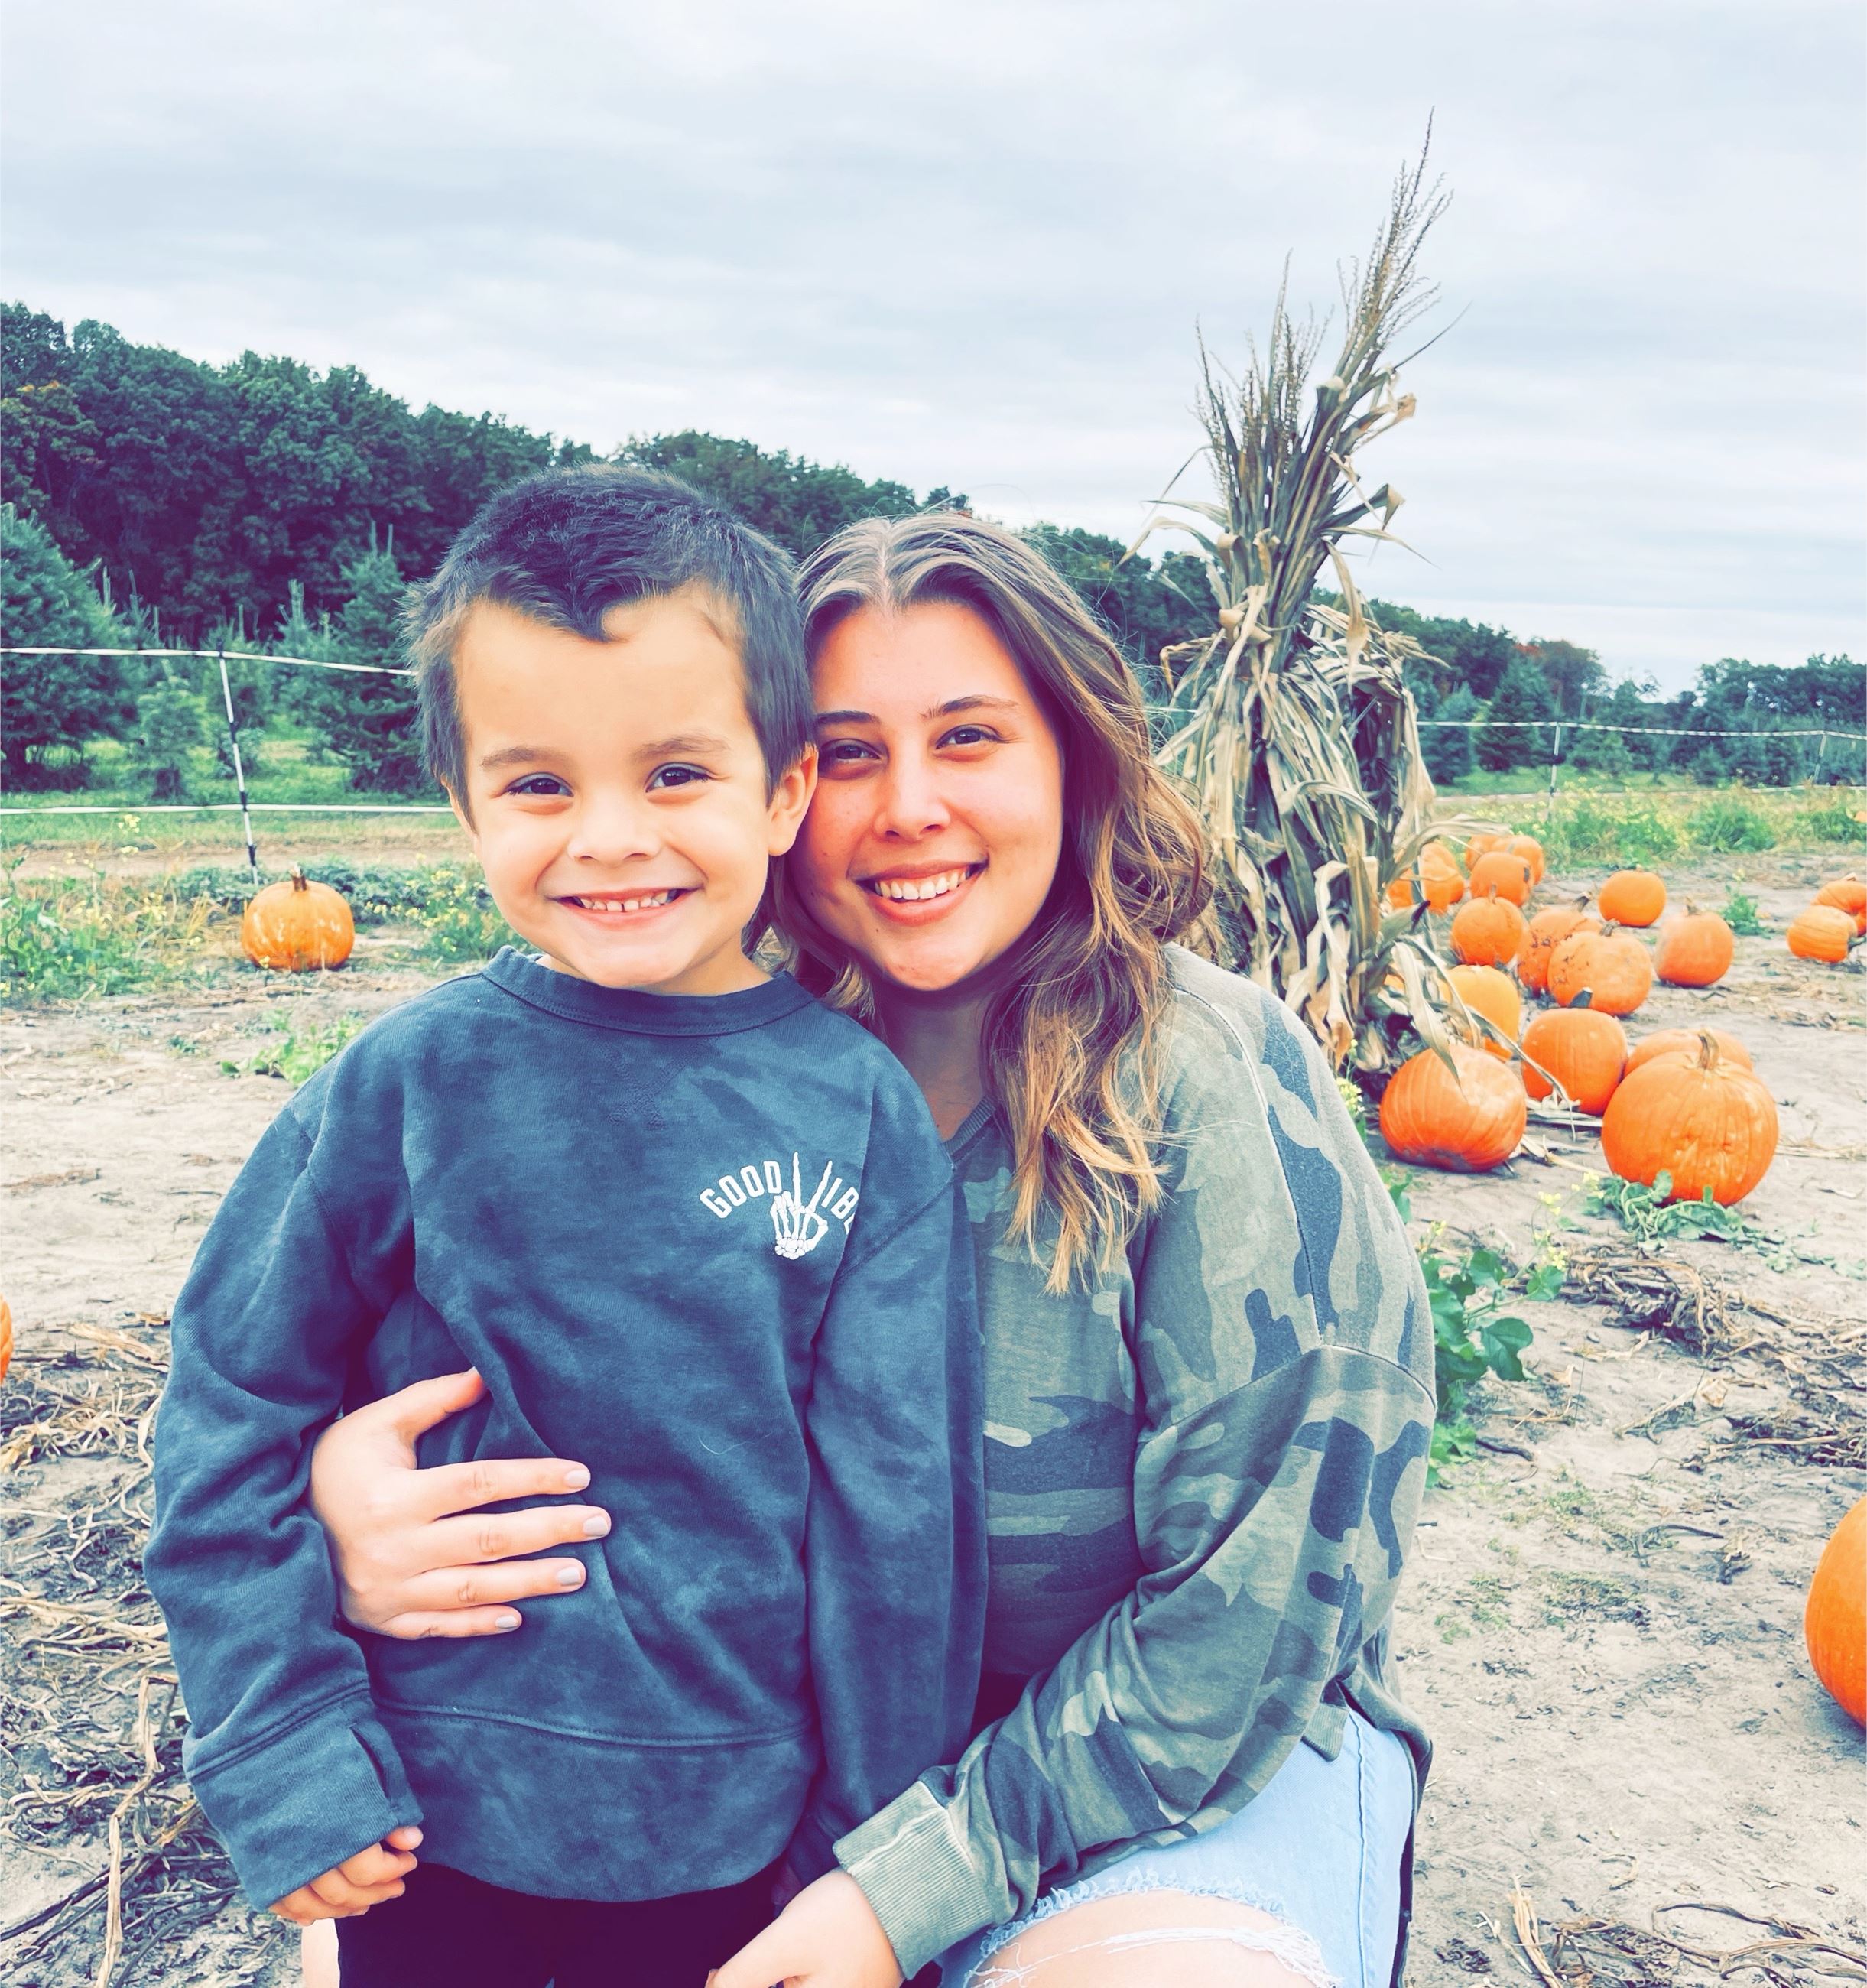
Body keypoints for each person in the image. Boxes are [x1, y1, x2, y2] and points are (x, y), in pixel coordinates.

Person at [305, 512, 1436, 1988]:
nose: (906, 806)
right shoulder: (674, 1073)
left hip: (1163, 1779)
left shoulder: (1204, 1075)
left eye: (968, 737)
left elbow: (1254, 1612)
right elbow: (403, 1384)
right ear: (776, 788)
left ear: (1069, 763)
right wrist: (344, 1512)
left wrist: (905, 1886)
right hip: (777, 1776)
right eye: (848, 751)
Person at [144, 468, 986, 1988]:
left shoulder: (857, 1119)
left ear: (784, 788)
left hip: (733, 1846)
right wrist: (283, 1750)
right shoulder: (407, 1087)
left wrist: (871, 1864)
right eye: (539, 785)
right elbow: (228, 1408)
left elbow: (899, 1533)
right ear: (465, 803)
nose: (608, 839)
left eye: (674, 775)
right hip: (423, 1832)